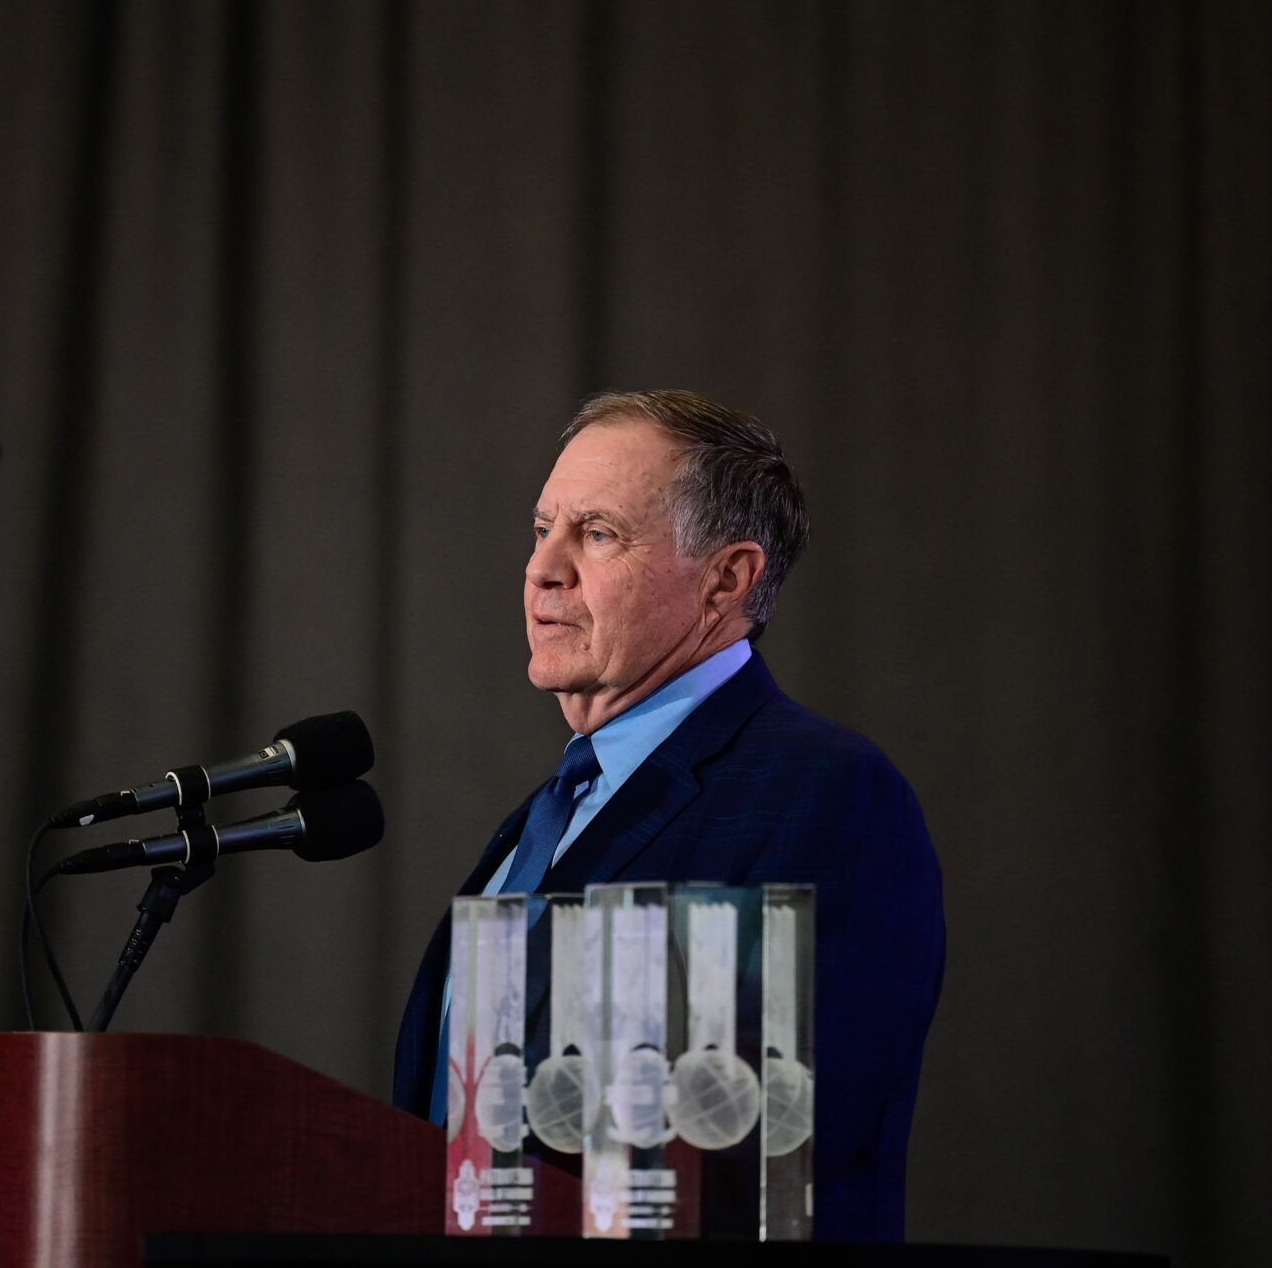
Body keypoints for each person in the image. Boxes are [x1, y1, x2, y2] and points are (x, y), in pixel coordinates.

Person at [391, 389, 945, 1241]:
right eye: (544, 529)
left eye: (598, 533)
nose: (544, 567)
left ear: (727, 577)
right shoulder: (548, 813)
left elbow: (773, 1143)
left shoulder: (825, 794)